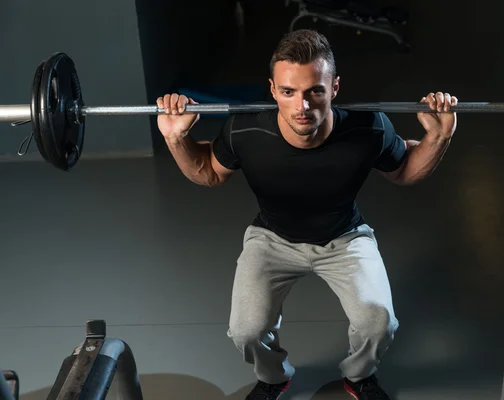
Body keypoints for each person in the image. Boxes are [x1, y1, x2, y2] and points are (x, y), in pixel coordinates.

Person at [156, 29, 457, 400]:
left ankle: (359, 375)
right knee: (245, 331)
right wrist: (175, 138)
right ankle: (273, 376)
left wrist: (438, 137)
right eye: (288, 92)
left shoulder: (368, 128)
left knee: (379, 322)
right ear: (272, 90)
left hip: (345, 237)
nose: (302, 106)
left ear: (334, 88)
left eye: (315, 90)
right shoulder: (246, 129)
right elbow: (210, 171)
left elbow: (405, 170)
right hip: (272, 238)